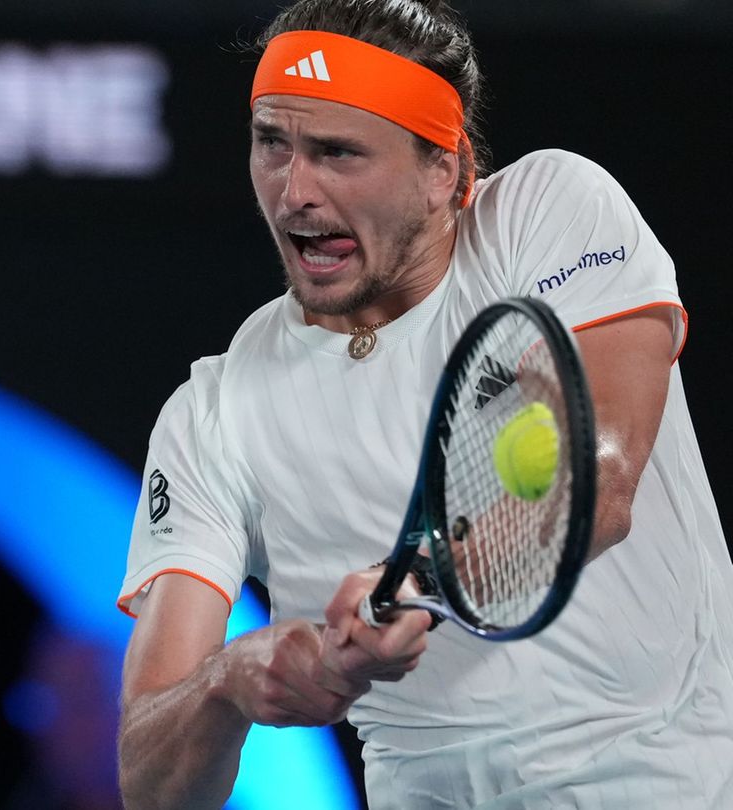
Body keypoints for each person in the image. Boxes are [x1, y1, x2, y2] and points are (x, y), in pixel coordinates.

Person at [114, 1, 733, 807]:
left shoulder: (548, 211)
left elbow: (600, 482)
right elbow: (150, 784)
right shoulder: (211, 414)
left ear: (446, 169)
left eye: (337, 153)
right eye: (273, 143)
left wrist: (417, 584)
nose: (294, 192)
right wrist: (227, 682)